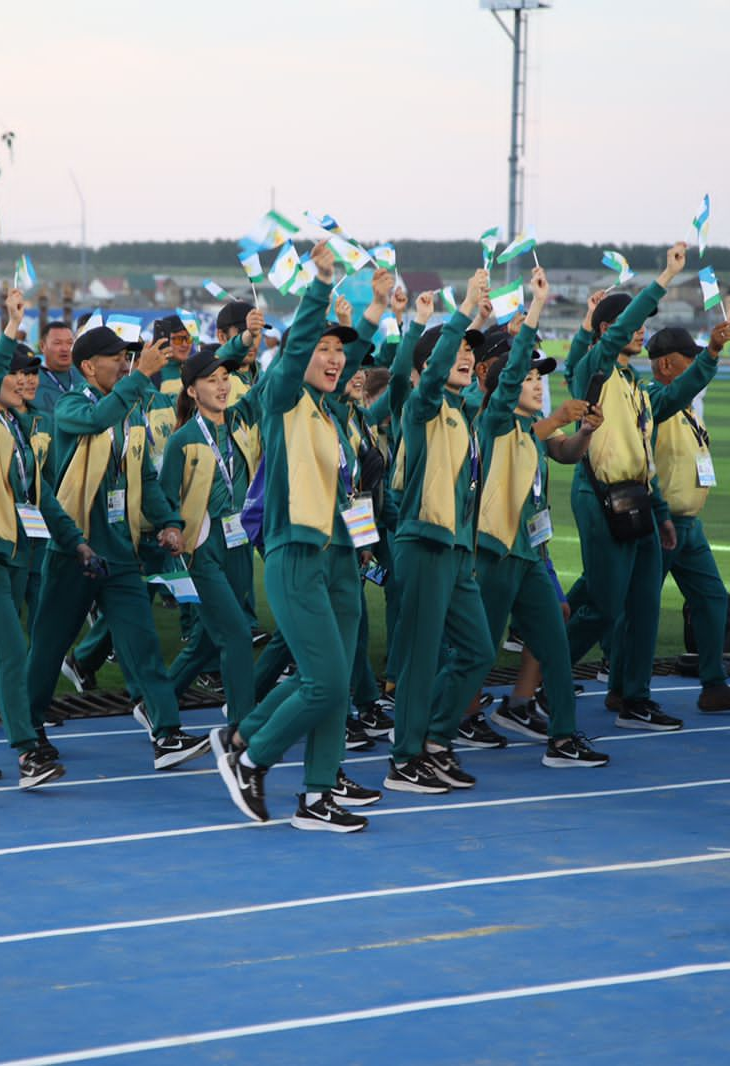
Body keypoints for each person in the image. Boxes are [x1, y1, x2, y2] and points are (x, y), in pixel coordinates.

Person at [213, 242, 384, 833]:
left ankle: (316, 796)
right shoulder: (282, 397)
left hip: (337, 557)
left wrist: (375, 311)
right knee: (328, 680)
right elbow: (294, 355)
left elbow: (346, 351)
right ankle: (252, 759)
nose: (337, 359)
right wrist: (320, 283)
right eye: (324, 350)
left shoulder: (328, 409)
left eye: (342, 353)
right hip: (294, 552)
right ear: (298, 354)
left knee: (332, 685)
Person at [22, 326, 210, 770]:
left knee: (141, 641)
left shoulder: (131, 412)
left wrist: (167, 520)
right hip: (74, 550)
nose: (126, 364)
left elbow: (141, 474)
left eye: (128, 357)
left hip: (121, 549)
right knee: (49, 646)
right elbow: (93, 420)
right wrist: (139, 378)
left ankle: (166, 732)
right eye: (116, 358)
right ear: (88, 367)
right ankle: (29, 728)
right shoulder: (72, 405)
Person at [474, 266, 609, 765]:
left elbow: (563, 451)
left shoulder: (534, 422)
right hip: (494, 551)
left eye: (539, 377)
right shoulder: (491, 417)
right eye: (529, 377)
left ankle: (562, 736)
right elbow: (512, 415)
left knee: (555, 636)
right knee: (475, 650)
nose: (537, 384)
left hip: (529, 550)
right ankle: (427, 736)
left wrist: (586, 431)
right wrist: (535, 307)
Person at [565, 242, 691, 730]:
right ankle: (541, 681)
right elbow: (617, 326)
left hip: (638, 500)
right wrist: (664, 277)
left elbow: (642, 457)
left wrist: (660, 512)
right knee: (602, 607)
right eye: (634, 325)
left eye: (644, 325)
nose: (642, 331)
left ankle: (633, 698)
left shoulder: (634, 385)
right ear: (606, 333)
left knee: (644, 607)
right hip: (600, 499)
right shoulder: (595, 369)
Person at [384, 268, 498, 794]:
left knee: (477, 649)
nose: (467, 358)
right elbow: (427, 377)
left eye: (471, 355)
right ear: (429, 366)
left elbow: (501, 383)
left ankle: (432, 738)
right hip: (424, 543)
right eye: (457, 353)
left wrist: (486, 320)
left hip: (455, 552)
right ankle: (405, 759)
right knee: (420, 657)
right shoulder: (423, 406)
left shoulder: (462, 410)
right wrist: (458, 314)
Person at [0, 290, 70, 788]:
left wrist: (76, 540)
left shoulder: (18, 424)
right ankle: (28, 751)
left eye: (30, 371)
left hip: (17, 553)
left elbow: (39, 497)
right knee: (10, 652)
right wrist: (10, 329)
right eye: (15, 370)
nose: (26, 378)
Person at [633, 322, 730, 712]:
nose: (698, 367)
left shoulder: (686, 408)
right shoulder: (654, 399)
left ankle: (713, 684)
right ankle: (623, 686)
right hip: (660, 523)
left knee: (713, 600)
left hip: (688, 525)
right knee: (632, 609)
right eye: (692, 359)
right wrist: (715, 354)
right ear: (669, 365)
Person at [159, 342, 260, 730]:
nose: (222, 386)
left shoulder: (239, 422)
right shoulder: (182, 441)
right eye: (212, 380)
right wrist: (172, 537)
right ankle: (243, 729)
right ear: (190, 391)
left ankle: (159, 700)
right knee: (236, 635)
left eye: (226, 379)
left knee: (207, 639)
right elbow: (165, 500)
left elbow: (267, 389)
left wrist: (249, 339)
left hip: (238, 544)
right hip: (202, 546)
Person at [32, 319, 82, 414]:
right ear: (42, 346)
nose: (65, 348)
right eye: (57, 343)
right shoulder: (32, 379)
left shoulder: (84, 375)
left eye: (70, 343)